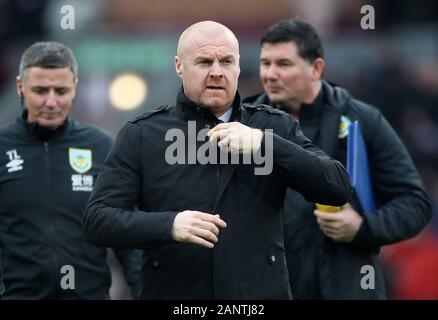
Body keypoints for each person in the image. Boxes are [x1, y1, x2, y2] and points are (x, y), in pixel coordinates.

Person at [83, 20, 352, 300]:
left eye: (225, 61)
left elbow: (337, 187)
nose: (216, 72)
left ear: (237, 66)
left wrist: (265, 144)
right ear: (179, 66)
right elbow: (98, 220)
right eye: (203, 62)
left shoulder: (272, 127)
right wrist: (169, 225)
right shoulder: (142, 135)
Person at [244, 19, 431, 299]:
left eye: (283, 64)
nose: (270, 74)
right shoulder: (244, 127)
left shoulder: (361, 121)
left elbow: (415, 205)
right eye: (265, 63)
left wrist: (363, 227)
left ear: (316, 68)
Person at [0, 42, 141, 299]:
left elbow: (125, 233)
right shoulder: (2, 146)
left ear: (74, 87)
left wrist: (144, 290)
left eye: (61, 91)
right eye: (41, 90)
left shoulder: (101, 145)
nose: (51, 101)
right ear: (20, 87)